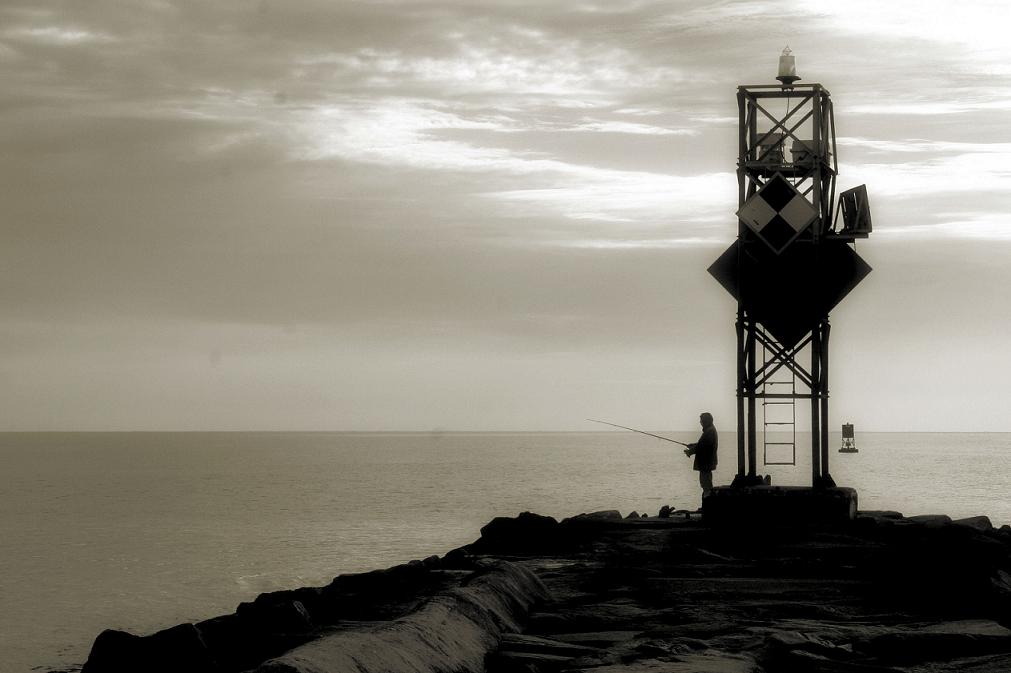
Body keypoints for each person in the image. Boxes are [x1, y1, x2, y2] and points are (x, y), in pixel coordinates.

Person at [684, 412, 718, 498]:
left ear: (705, 421)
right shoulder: (710, 430)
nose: (700, 422)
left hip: (706, 462)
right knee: (706, 483)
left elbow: (702, 447)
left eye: (701, 420)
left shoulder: (709, 431)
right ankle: (707, 501)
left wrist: (690, 452)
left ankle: (708, 503)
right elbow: (701, 444)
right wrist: (692, 445)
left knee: (706, 484)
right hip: (707, 462)